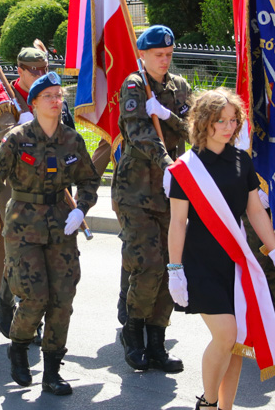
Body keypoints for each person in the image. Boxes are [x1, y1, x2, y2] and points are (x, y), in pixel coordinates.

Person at [0, 72, 100, 396]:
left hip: (60, 224)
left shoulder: (71, 139)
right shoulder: (16, 138)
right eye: (50, 96)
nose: (57, 101)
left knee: (62, 299)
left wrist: (81, 207)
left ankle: (52, 370)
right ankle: (19, 346)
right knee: (35, 296)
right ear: (35, 102)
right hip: (23, 226)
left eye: (59, 95)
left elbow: (89, 179)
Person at [167, 88, 275, 410]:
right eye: (220, 121)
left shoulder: (241, 161)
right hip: (199, 264)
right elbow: (178, 223)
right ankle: (207, 403)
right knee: (226, 335)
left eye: (233, 120)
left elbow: (254, 211)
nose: (228, 126)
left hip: (235, 263)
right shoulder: (186, 168)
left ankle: (225, 407)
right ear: (203, 123)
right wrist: (174, 270)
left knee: (236, 343)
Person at [0, 47, 74, 337]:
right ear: (19, 71)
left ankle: (24, 311)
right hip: (12, 185)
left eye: (42, 68)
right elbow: (5, 138)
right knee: (4, 246)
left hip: (47, 188)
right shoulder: (4, 102)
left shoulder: (50, 97)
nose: (39, 74)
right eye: (32, 70)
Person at [113, 25, 191, 373]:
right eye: (158, 55)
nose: (164, 60)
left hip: (171, 193)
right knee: (148, 265)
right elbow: (138, 131)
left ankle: (157, 341)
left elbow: (191, 128)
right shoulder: (133, 85)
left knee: (171, 267)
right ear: (142, 55)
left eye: (169, 54)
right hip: (137, 191)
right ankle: (133, 332)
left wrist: (167, 114)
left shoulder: (180, 87)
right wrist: (166, 161)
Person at [236, 125, 275, 353]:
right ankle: (248, 329)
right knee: (255, 264)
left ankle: (274, 326)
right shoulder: (247, 99)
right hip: (250, 196)